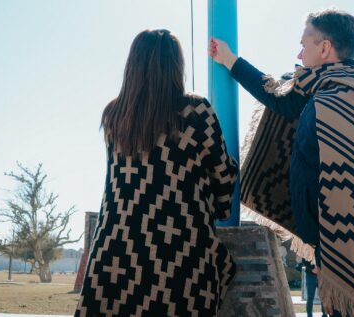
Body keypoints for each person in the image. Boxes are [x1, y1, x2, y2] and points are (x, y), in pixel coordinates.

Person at [209, 9, 354, 317]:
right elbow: (279, 97)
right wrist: (230, 60)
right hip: (331, 244)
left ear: (325, 48)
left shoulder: (346, 99)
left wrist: (334, 247)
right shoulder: (327, 89)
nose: (299, 54)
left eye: (304, 44)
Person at [75, 29, 239, 317]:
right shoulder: (196, 111)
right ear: (176, 66)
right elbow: (223, 178)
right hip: (179, 254)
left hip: (114, 254)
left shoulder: (114, 115)